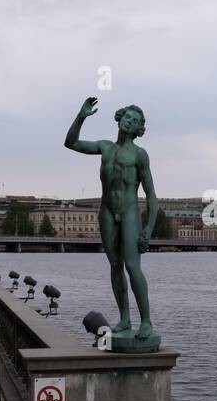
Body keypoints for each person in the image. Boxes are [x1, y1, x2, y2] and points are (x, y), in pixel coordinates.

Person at [64, 96, 159, 341]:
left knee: (132, 266)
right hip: (106, 210)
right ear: (119, 119)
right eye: (127, 116)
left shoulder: (140, 155)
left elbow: (151, 197)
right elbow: (70, 143)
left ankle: (146, 321)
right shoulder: (105, 147)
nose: (129, 121)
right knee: (115, 266)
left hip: (129, 211)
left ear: (139, 129)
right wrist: (81, 116)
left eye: (135, 120)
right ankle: (125, 318)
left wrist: (148, 229)